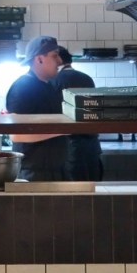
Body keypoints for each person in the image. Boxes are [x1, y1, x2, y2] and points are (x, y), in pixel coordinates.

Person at [5, 35, 68, 181]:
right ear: (39, 59)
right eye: (55, 56)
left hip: (56, 170)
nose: (60, 61)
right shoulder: (23, 87)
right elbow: (16, 135)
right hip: (34, 173)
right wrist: (64, 129)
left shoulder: (49, 86)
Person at [53, 46, 103, 182]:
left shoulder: (55, 80)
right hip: (92, 145)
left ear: (59, 61)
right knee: (93, 188)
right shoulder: (87, 78)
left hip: (70, 146)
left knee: (74, 193)